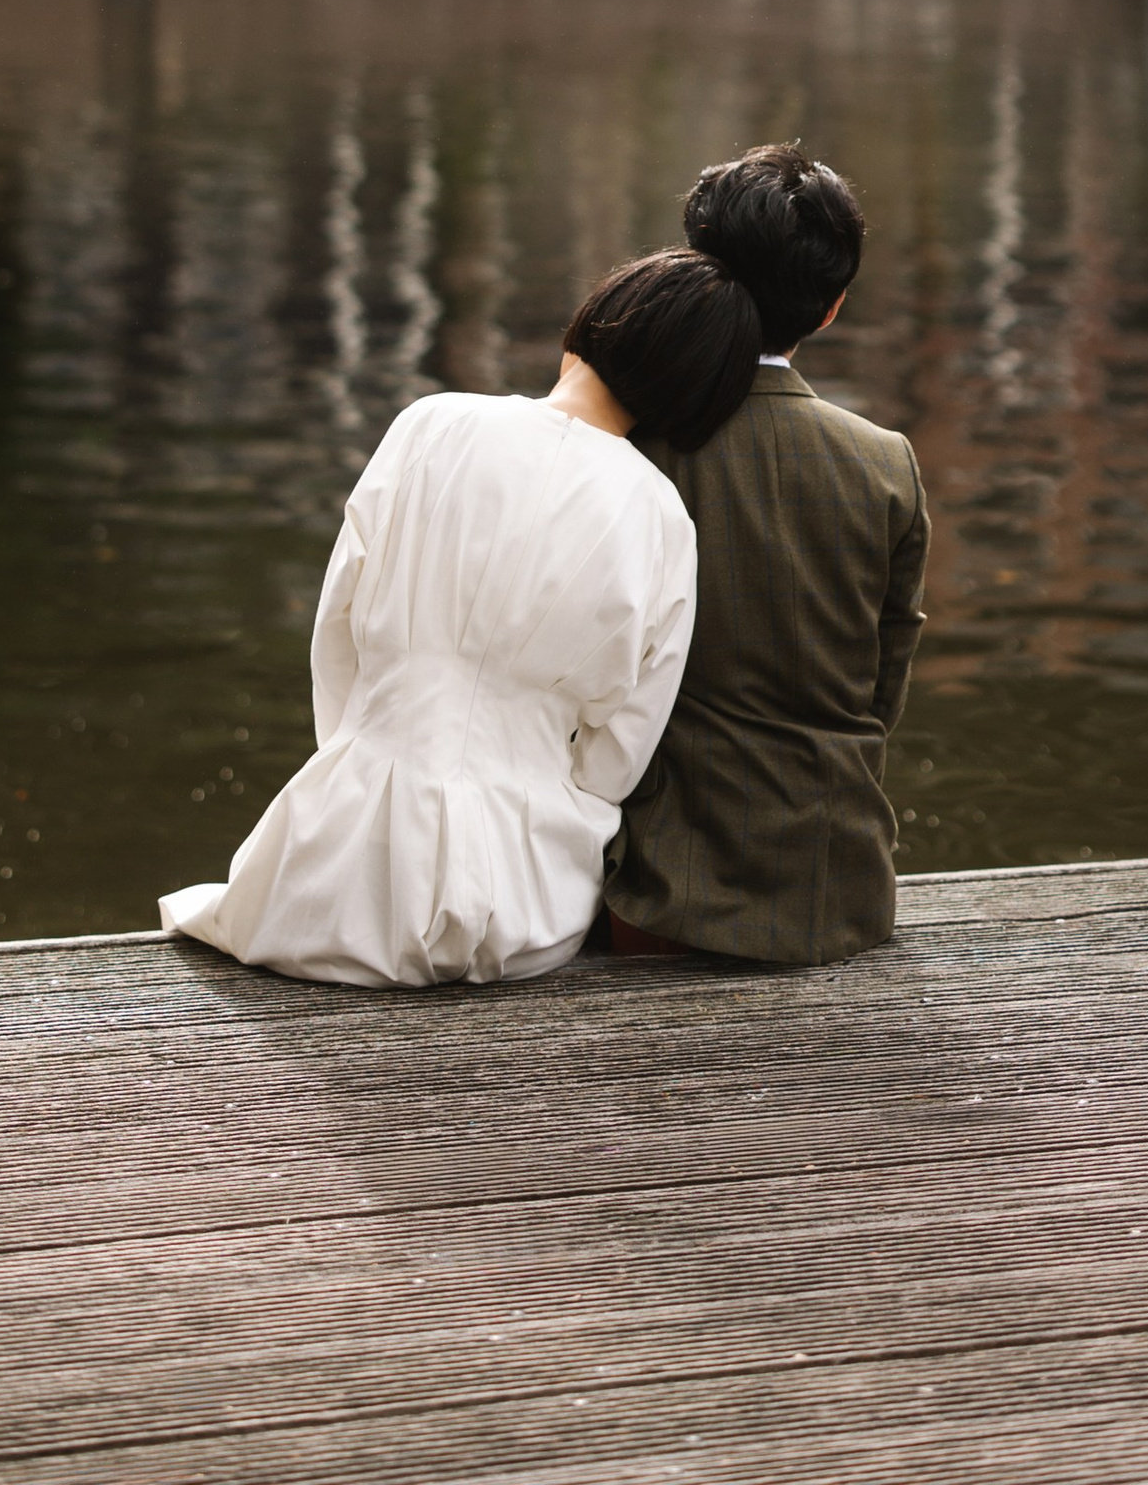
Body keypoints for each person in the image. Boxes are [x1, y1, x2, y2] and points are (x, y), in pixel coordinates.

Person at [162, 248, 759, 986]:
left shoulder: (434, 424)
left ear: (595, 322)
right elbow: (617, 757)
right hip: (523, 904)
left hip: (334, 873)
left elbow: (338, 632)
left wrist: (360, 768)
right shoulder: (663, 517)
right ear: (694, 401)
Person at [606, 143, 929, 968]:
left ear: (696, 274)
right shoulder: (886, 462)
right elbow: (882, 686)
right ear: (833, 307)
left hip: (658, 893)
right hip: (844, 888)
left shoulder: (636, 447)